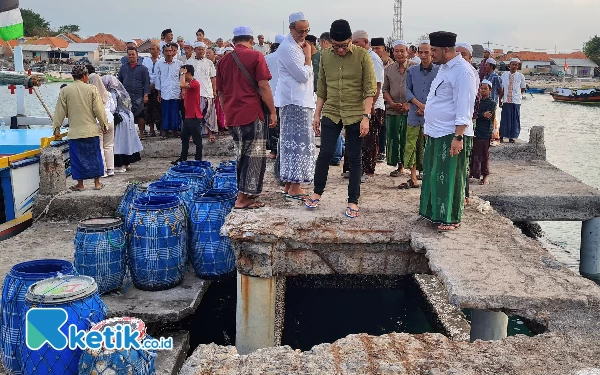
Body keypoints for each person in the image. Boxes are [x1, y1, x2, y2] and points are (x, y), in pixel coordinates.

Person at [304, 19, 377, 218]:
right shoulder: (326, 57)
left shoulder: (362, 56)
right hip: (332, 111)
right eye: (336, 47)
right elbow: (322, 89)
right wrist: (317, 115)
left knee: (354, 157)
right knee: (325, 153)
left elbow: (370, 88)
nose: (341, 50)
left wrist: (366, 117)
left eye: (344, 46)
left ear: (350, 41)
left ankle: (353, 200)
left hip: (355, 112)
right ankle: (317, 192)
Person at [419, 31, 477, 231]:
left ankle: (451, 218)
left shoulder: (463, 71)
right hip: (436, 132)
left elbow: (464, 106)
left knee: (450, 176)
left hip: (452, 134)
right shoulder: (444, 68)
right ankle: (433, 213)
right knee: (433, 175)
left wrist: (458, 136)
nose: (430, 54)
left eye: (433, 50)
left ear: (445, 49)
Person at [216, 26, 276, 210]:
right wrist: (273, 111)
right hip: (251, 113)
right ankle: (243, 198)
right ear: (251, 40)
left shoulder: (223, 61)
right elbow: (264, 86)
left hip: (233, 115)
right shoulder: (256, 56)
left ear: (234, 42)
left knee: (241, 155)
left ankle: (243, 194)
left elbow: (221, 93)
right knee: (255, 156)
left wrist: (226, 114)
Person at [276, 12, 316, 199]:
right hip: (295, 102)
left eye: (306, 31)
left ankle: (291, 184)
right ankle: (295, 186)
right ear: (291, 29)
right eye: (300, 31)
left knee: (292, 142)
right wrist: (308, 56)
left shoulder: (296, 45)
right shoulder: (289, 48)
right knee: (298, 143)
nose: (303, 34)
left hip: (298, 100)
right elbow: (302, 75)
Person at [52, 65, 108, 191]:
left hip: (75, 132)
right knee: (94, 157)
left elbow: (59, 111)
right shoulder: (92, 89)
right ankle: (97, 183)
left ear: (73, 76)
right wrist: (104, 124)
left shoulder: (65, 91)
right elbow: (98, 109)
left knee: (77, 159)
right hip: (91, 130)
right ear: (84, 76)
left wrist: (56, 128)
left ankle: (80, 184)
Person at [342, 30, 383, 183]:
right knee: (354, 137)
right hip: (357, 105)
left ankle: (368, 171)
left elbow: (377, 86)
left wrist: (370, 106)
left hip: (372, 106)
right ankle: (351, 169)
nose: (353, 45)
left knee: (369, 140)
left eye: (356, 42)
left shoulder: (373, 58)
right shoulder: (357, 56)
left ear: (366, 43)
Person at [401, 40, 439, 189]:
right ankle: (413, 177)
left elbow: (440, 93)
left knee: (430, 145)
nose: (423, 55)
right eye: (421, 52)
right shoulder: (412, 71)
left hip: (432, 115)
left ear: (431, 52)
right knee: (412, 144)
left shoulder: (439, 71)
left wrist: (427, 108)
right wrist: (419, 105)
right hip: (414, 113)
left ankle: (429, 175)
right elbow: (407, 91)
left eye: (426, 52)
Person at [383, 40, 417, 178]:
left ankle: (415, 169)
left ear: (407, 51)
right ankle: (400, 166)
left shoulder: (415, 67)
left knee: (411, 139)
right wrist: (391, 103)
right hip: (393, 110)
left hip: (412, 111)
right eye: (396, 51)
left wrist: (410, 105)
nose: (399, 54)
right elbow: (385, 89)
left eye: (401, 51)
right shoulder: (388, 69)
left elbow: (419, 89)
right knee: (395, 139)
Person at [102, 75, 144, 172]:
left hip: (120, 118)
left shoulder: (111, 93)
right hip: (128, 116)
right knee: (127, 141)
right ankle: (127, 162)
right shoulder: (121, 91)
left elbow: (113, 108)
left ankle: (120, 165)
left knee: (118, 142)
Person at [172, 64, 204, 164]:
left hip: (194, 116)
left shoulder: (195, 83)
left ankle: (198, 159)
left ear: (188, 73)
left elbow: (181, 84)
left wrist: (183, 73)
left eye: (184, 74)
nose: (182, 76)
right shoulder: (189, 84)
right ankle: (183, 158)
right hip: (188, 116)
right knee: (184, 138)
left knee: (197, 140)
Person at [187, 41, 217, 141]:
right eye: (199, 49)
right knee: (194, 115)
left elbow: (213, 78)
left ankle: (211, 133)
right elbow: (185, 78)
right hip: (193, 93)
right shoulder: (189, 63)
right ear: (194, 50)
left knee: (209, 115)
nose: (201, 51)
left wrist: (214, 90)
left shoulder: (209, 63)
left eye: (203, 50)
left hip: (207, 92)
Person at [118, 47, 150, 140]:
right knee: (126, 115)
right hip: (125, 96)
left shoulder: (143, 69)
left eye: (133, 54)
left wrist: (146, 95)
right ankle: (129, 134)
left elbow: (146, 83)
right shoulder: (123, 68)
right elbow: (119, 82)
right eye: (129, 54)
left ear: (137, 55)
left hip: (139, 96)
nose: (131, 56)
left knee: (140, 115)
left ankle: (141, 133)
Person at [88, 73, 116, 177]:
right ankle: (111, 169)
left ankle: (102, 170)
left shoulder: (90, 94)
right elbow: (113, 108)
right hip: (109, 120)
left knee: (99, 146)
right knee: (109, 145)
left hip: (97, 121)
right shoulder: (108, 93)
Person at [470, 80, 496, 185]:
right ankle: (473, 174)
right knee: (473, 153)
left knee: (484, 155)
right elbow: (473, 114)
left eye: (485, 89)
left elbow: (487, 115)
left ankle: (485, 175)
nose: (483, 90)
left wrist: (479, 115)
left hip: (485, 132)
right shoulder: (476, 102)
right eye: (482, 88)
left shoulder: (492, 103)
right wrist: (480, 115)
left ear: (490, 90)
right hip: (475, 130)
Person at [265, 34, 285, 160]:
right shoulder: (289, 58)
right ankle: (283, 149)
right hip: (285, 96)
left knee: (273, 123)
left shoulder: (266, 58)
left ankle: (273, 150)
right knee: (285, 124)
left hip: (270, 95)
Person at [156, 43, 183, 137]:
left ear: (173, 52)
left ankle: (175, 129)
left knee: (175, 111)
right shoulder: (159, 64)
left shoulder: (179, 64)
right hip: (165, 91)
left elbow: (181, 78)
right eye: (166, 51)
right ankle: (165, 130)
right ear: (163, 52)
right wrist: (159, 93)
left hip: (176, 91)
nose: (168, 53)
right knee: (165, 111)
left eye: (170, 51)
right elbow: (157, 79)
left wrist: (182, 91)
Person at [370, 37, 389, 162]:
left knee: (381, 128)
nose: (376, 50)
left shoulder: (389, 64)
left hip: (381, 100)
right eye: (374, 48)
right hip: (377, 99)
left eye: (378, 48)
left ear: (384, 49)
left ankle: (381, 151)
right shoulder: (371, 60)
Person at [499, 58, 526, 143]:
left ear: (518, 66)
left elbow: (522, 88)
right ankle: (502, 136)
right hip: (506, 100)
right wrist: (500, 100)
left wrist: (517, 95)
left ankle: (512, 137)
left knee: (514, 119)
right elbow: (501, 89)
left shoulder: (521, 76)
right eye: (513, 64)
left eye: (516, 65)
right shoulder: (504, 75)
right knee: (504, 119)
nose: (514, 66)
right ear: (509, 65)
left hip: (516, 101)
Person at [142, 41, 162, 136]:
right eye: (150, 49)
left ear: (158, 50)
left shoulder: (162, 60)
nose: (152, 51)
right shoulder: (146, 60)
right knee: (149, 108)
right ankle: (151, 129)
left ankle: (161, 128)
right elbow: (144, 74)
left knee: (158, 108)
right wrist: (148, 85)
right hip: (148, 87)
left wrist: (157, 85)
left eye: (153, 49)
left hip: (159, 87)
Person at [483, 57, 502, 145]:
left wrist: (499, 100)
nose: (485, 66)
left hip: (492, 100)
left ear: (491, 66)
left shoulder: (496, 77)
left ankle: (494, 137)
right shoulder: (486, 76)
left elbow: (500, 90)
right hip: (484, 100)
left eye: (486, 65)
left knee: (492, 119)